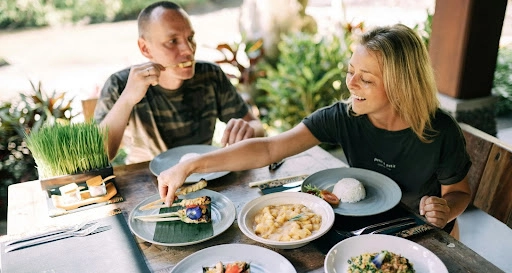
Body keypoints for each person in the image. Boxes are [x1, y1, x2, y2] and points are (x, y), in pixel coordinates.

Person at [157, 24, 472, 239]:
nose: (351, 84)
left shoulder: (440, 131)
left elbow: (459, 193)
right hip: (368, 226)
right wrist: (192, 164)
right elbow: (269, 149)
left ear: (401, 84)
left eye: (366, 79)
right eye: (350, 72)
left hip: (424, 233)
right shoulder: (344, 116)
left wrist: (445, 210)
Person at [94, 1, 265, 164]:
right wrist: (127, 99)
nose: (189, 50)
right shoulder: (121, 84)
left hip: (205, 172)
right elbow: (100, 155)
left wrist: (248, 129)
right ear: (145, 48)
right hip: (147, 181)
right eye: (173, 41)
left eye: (190, 38)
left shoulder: (209, 75)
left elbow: (257, 127)